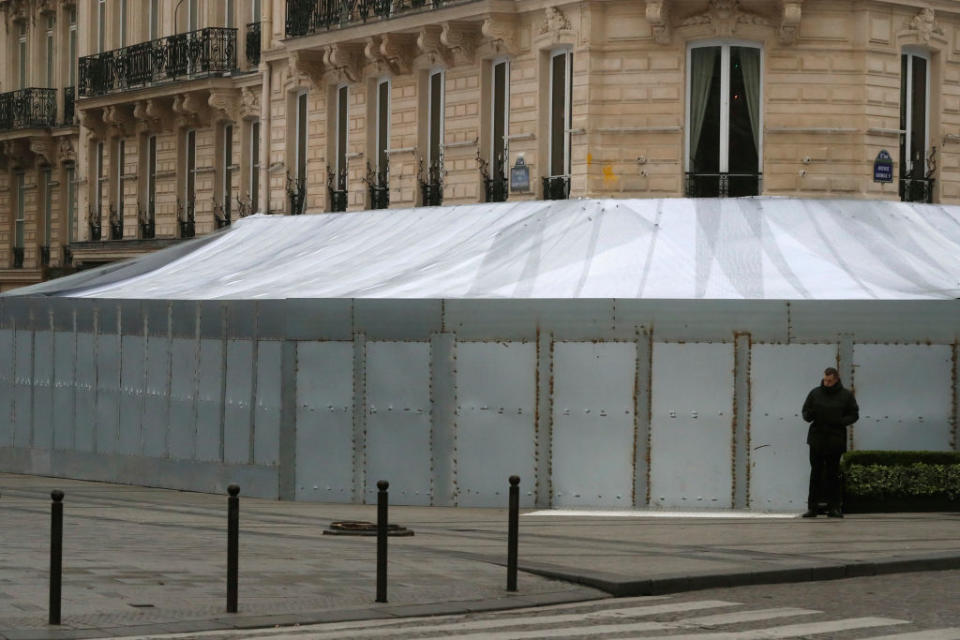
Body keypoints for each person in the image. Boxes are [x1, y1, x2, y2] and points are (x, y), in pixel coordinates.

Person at [801, 367, 859, 518]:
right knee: (815, 473)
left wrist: (841, 422)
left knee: (833, 474)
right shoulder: (815, 393)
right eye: (825, 380)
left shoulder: (846, 395)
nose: (826, 383)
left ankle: (834, 508)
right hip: (817, 439)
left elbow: (854, 414)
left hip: (835, 438)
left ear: (836, 380)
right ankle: (812, 508)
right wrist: (810, 415)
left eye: (830, 381)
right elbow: (805, 412)